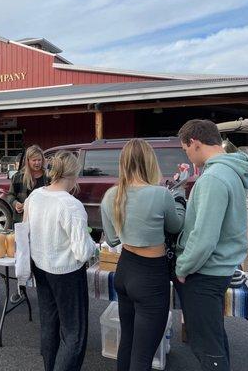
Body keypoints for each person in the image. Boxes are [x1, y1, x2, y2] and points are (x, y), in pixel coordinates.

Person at [175, 119, 248, 371]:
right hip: (219, 269)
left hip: (205, 273)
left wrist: (183, 267)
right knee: (215, 337)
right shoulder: (230, 170)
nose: (187, 155)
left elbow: (204, 237)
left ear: (195, 143)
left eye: (185, 149)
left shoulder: (213, 178)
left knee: (206, 345)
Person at [100, 138, 185, 371]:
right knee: (143, 354)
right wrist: (179, 201)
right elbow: (176, 226)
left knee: (127, 340)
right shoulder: (161, 194)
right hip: (150, 276)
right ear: (149, 162)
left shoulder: (110, 195)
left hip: (125, 271)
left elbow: (112, 239)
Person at [24, 150, 96, 371]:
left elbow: (26, 229)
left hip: (40, 266)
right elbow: (83, 252)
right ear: (74, 174)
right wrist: (95, 245)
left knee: (49, 323)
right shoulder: (71, 205)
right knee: (74, 331)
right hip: (66, 272)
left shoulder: (35, 195)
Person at [7, 145, 50, 224]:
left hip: (43, 220)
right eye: (34, 160)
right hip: (22, 219)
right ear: (28, 161)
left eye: (39, 160)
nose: (37, 163)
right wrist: (16, 204)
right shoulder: (18, 177)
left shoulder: (48, 176)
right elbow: (10, 195)